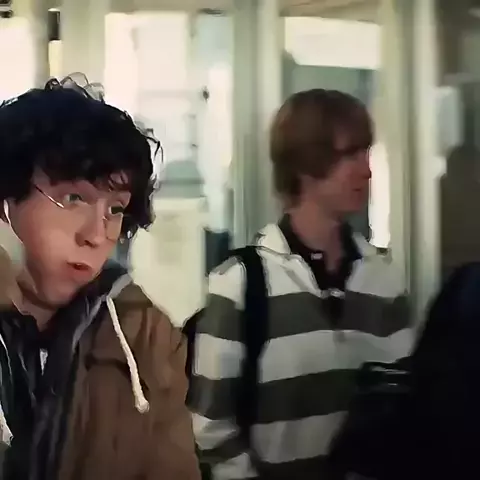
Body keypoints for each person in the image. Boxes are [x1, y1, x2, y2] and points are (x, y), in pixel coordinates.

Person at [188, 89, 412, 480]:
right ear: (307, 163)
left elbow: (403, 409)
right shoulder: (240, 283)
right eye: (350, 154)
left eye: (366, 153)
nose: (366, 171)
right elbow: (211, 429)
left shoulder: (382, 279)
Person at [0, 76, 200, 480]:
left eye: (115, 209)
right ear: (6, 201)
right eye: (73, 198)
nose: (96, 235)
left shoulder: (145, 336)